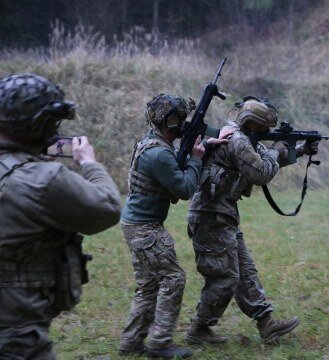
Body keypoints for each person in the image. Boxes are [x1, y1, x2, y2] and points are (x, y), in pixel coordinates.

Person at [0, 73, 122, 359]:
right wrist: (89, 163)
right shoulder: (44, 179)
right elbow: (106, 208)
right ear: (43, 124)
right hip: (15, 334)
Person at [185, 96, 318, 345]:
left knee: (245, 271)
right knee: (225, 277)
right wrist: (277, 149)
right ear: (254, 124)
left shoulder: (241, 137)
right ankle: (198, 329)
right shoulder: (238, 141)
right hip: (210, 217)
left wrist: (299, 150)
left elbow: (262, 160)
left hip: (222, 215)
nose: (267, 132)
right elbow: (262, 172)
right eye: (264, 128)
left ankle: (266, 324)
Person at [118, 93, 231, 358]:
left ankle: (131, 342)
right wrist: (196, 158)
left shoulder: (151, 143)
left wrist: (204, 148)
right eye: (180, 119)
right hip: (145, 228)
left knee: (149, 285)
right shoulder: (159, 154)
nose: (184, 124)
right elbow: (183, 189)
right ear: (169, 121)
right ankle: (159, 343)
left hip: (135, 224)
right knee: (173, 278)